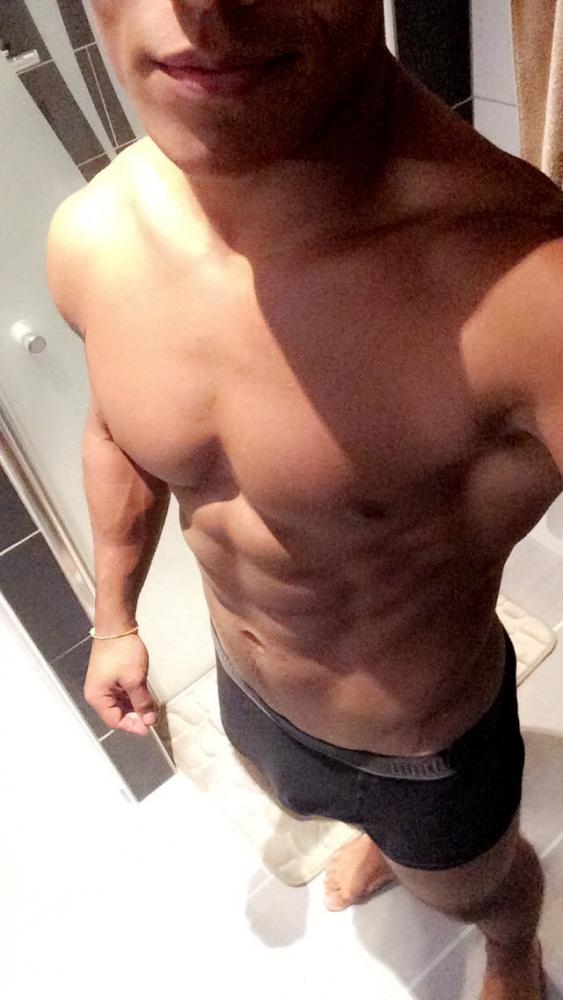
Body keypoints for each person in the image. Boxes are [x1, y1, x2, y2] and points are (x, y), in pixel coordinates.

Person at [46, 2, 563, 996]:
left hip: (421, 751)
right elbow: (115, 429)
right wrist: (114, 620)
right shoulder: (95, 234)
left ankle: (513, 948)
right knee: (316, 802)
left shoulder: (530, 292)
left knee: (479, 890)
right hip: (250, 699)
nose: (200, 6)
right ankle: (373, 835)